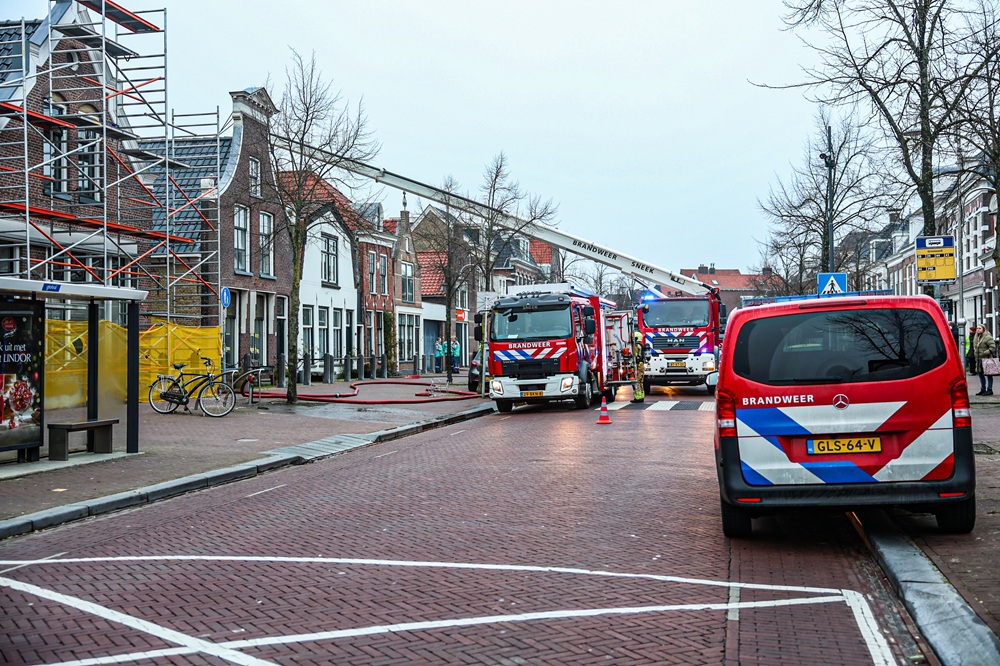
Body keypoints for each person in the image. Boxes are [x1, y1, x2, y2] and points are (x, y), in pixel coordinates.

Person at [973, 324, 996, 396]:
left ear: (983, 329)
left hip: (986, 359)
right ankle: (982, 389)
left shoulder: (987, 337)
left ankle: (989, 389)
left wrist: (985, 353)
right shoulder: (977, 337)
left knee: (989, 375)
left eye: (979, 328)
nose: (978, 329)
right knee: (980, 375)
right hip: (979, 360)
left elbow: (993, 347)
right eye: (977, 328)